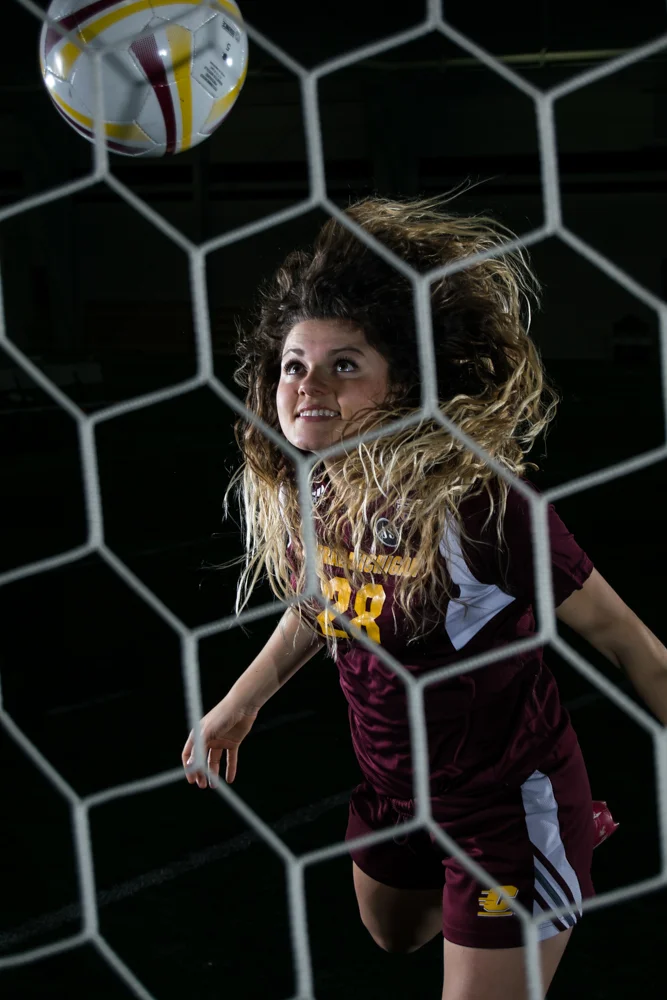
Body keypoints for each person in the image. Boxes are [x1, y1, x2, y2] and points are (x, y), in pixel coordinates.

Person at [182, 194, 665, 999]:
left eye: (345, 365)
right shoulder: (313, 489)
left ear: (402, 384)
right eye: (294, 365)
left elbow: (630, 643)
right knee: (391, 933)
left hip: (502, 810)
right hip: (389, 791)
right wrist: (239, 702)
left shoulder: (478, 509)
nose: (308, 385)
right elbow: (321, 602)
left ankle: (554, 852)